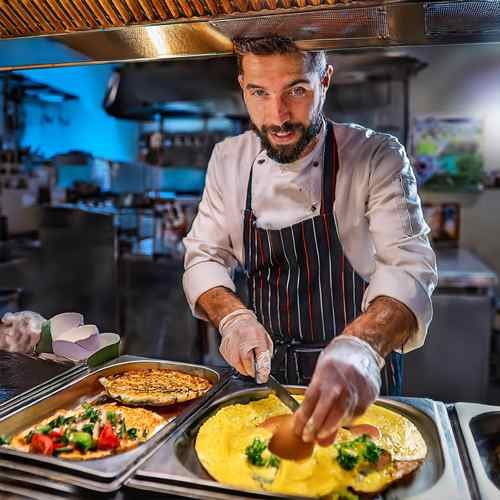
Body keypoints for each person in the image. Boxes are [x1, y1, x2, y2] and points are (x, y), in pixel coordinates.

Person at [183, 36, 437, 446]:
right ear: (242, 85)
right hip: (266, 382)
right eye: (259, 93)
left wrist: (362, 350)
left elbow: (409, 269)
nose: (278, 116)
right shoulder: (228, 159)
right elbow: (203, 257)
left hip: (356, 386)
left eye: (297, 90)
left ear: (325, 81)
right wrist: (233, 318)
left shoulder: (376, 155)